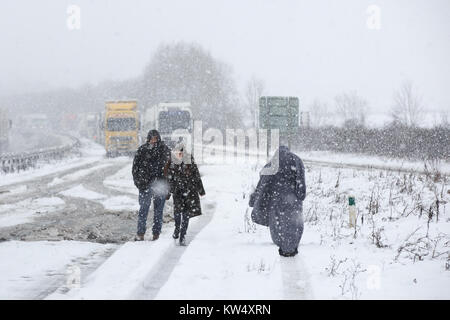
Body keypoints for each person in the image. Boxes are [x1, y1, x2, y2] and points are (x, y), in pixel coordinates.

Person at [249, 145, 306, 257]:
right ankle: (292, 246)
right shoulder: (296, 160)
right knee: (294, 222)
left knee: (278, 222)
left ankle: (282, 245)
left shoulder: (272, 164)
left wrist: (256, 199)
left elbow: (263, 183)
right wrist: (301, 194)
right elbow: (301, 179)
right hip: (293, 198)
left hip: (277, 199)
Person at [132, 130, 171, 241]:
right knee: (143, 209)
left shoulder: (165, 150)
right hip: (145, 184)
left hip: (161, 185)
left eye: (155, 138)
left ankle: (156, 234)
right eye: (152, 138)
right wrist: (139, 183)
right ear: (148, 138)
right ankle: (140, 233)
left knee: (158, 211)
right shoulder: (142, 150)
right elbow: (135, 169)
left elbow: (171, 170)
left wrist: (169, 188)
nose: (154, 140)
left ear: (158, 138)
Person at [165, 142, 205, 246]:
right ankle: (177, 228)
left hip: (189, 191)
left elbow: (196, 175)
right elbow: (169, 179)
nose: (179, 155)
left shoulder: (189, 160)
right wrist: (168, 192)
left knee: (186, 214)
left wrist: (200, 190)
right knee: (177, 213)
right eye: (178, 153)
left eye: (181, 153)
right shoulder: (172, 162)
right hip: (177, 192)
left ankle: (183, 235)